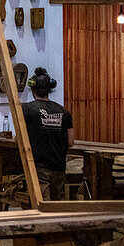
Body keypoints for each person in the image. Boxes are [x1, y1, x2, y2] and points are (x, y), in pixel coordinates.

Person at [21, 66, 74, 201]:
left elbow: (20, 139)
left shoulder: (27, 110)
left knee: (42, 205)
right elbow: (70, 142)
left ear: (33, 89)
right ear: (49, 90)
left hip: (39, 167)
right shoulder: (64, 112)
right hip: (59, 167)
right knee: (58, 205)